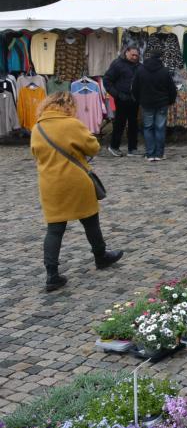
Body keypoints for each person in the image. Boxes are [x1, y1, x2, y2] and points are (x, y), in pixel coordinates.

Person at [30, 92, 123, 292]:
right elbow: (93, 147)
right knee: (90, 221)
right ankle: (101, 257)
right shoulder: (72, 124)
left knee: (54, 229)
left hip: (50, 184)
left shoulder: (37, 128)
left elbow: (35, 153)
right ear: (69, 106)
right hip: (76, 182)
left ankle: (52, 274)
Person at [132, 50, 177, 162]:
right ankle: (159, 154)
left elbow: (135, 88)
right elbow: (172, 89)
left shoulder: (140, 70)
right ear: (160, 59)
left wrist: (139, 100)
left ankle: (150, 154)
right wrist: (170, 101)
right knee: (160, 128)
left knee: (148, 128)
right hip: (162, 103)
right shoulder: (164, 71)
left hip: (146, 103)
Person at [103, 45, 142, 157]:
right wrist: (117, 95)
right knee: (120, 123)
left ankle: (132, 149)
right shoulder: (117, 64)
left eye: (136, 55)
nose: (135, 57)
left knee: (133, 124)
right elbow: (107, 81)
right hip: (121, 99)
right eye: (132, 55)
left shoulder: (139, 66)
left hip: (134, 99)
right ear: (126, 53)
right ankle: (114, 146)